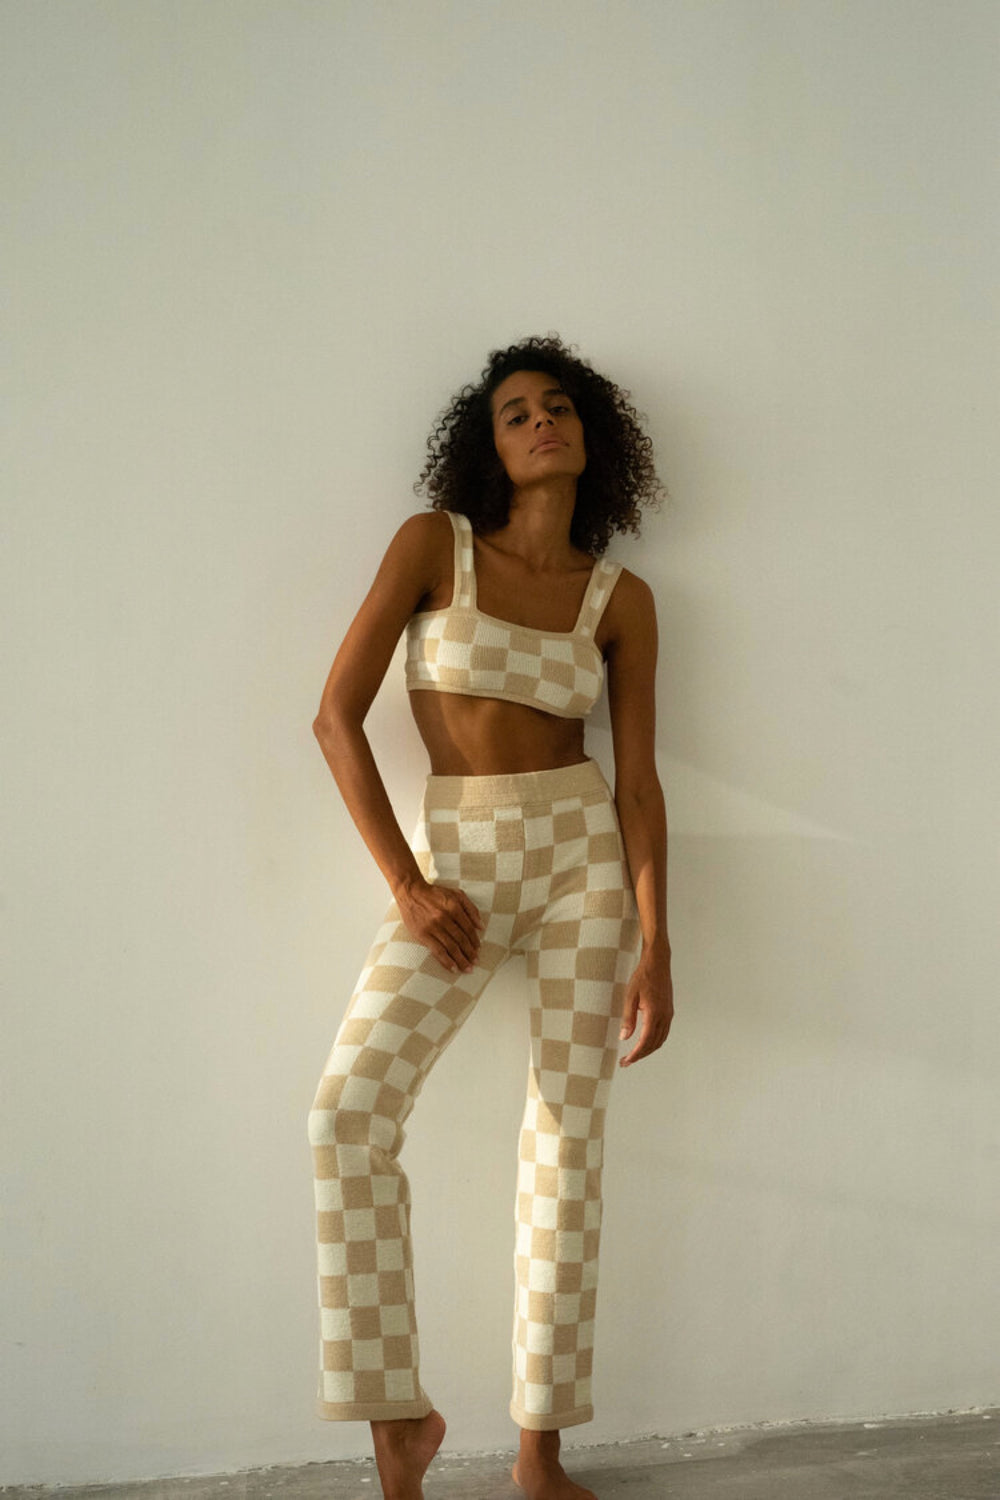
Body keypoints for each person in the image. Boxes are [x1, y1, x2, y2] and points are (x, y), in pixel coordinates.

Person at [308, 335, 674, 1500]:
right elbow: (334, 719)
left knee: (565, 1147)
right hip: (458, 863)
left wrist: (656, 943)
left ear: (590, 435)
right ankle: (396, 1421)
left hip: (580, 863)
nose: (540, 422)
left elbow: (636, 785)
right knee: (345, 1115)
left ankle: (539, 1454)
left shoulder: (621, 599)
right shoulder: (434, 547)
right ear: (489, 444)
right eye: (515, 413)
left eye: (556, 406)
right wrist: (407, 887)